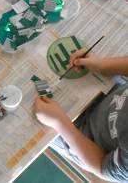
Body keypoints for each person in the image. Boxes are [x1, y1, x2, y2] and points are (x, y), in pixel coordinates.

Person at [35, 49, 128, 182]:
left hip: (83, 138)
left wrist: (59, 123)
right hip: (111, 88)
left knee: (31, 121)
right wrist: (102, 65)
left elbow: (101, 165)